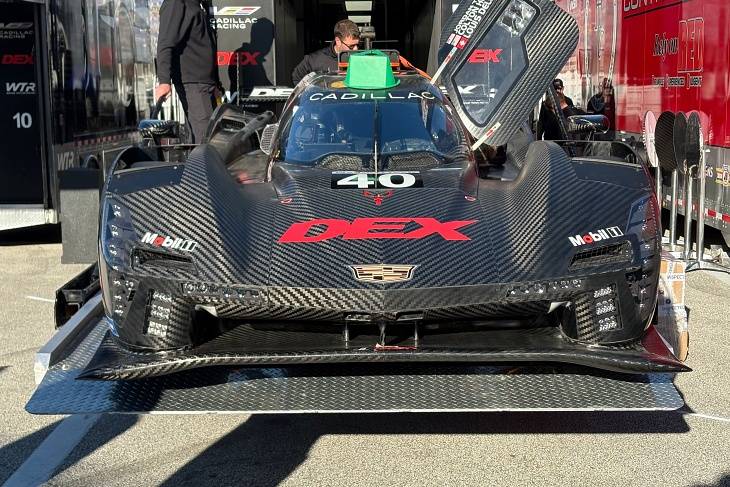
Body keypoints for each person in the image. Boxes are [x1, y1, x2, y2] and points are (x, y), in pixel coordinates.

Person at [155, 0, 220, 144]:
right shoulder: (176, 3)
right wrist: (164, 81)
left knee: (208, 137)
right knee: (206, 141)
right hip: (193, 83)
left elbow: (207, 43)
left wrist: (215, 82)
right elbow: (165, 43)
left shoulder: (199, 4)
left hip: (205, 83)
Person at [291, 20, 361, 85]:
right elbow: (297, 78)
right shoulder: (314, 60)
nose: (356, 49)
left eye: (358, 45)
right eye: (351, 46)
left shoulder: (361, 59)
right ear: (338, 41)